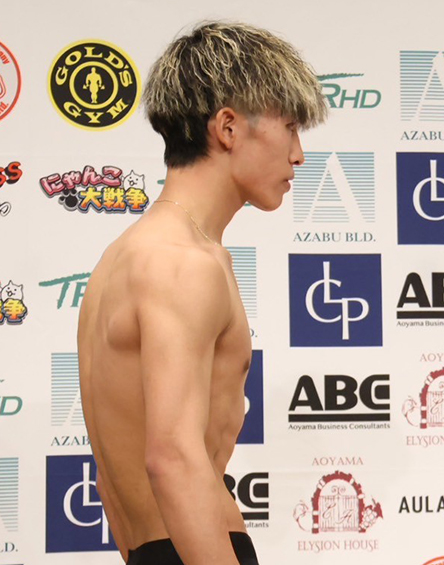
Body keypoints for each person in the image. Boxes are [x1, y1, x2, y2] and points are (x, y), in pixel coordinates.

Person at [77, 21, 326, 565]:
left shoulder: (119, 260)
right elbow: (171, 458)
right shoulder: (185, 263)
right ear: (228, 128)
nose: (299, 155)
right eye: (290, 128)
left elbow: (108, 478)